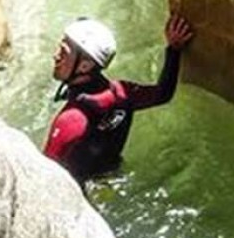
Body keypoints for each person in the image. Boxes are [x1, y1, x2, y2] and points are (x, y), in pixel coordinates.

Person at [44, 13, 194, 183]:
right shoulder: (122, 93)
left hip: (80, 191)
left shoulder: (71, 119)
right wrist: (174, 50)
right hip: (113, 177)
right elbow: (163, 94)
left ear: (85, 65)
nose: (55, 56)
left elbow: (44, 178)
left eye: (63, 52)